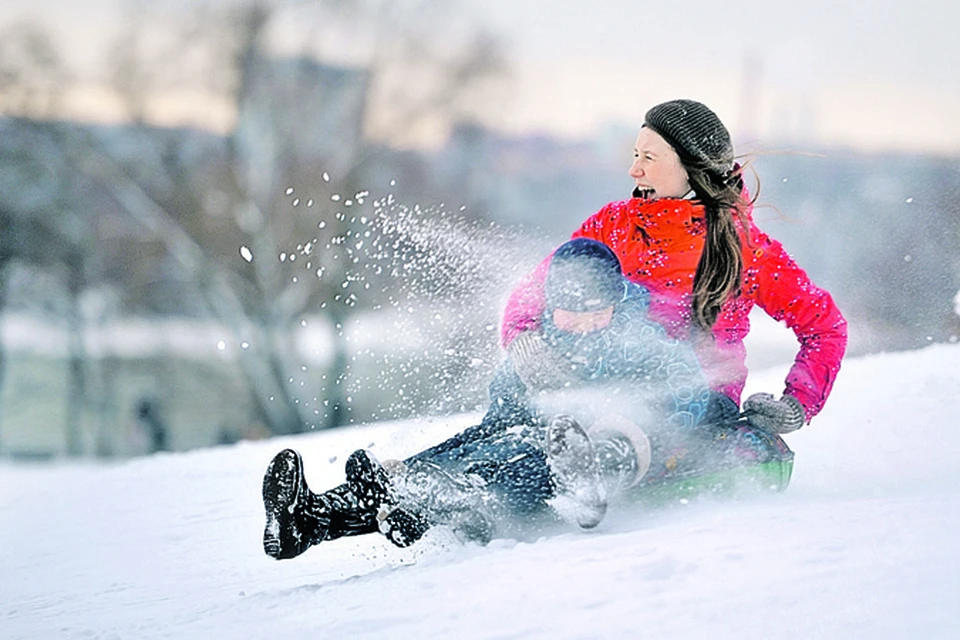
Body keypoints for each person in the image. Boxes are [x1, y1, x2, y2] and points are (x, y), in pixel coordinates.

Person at [262, 238, 766, 559]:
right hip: (536, 444)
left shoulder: (644, 341)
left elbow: (685, 397)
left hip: (613, 452)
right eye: (572, 311)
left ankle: (588, 480)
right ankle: (311, 519)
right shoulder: (535, 354)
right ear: (553, 306)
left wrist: (636, 418)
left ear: (618, 302)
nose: (586, 322)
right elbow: (493, 425)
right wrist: (437, 457)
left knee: (558, 444)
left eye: (598, 310)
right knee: (486, 447)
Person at [501, 99, 847, 436]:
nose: (634, 170)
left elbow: (825, 327)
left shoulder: (747, 250)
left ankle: (602, 465)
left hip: (699, 408)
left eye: (649, 157)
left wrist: (797, 404)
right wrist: (524, 341)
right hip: (605, 380)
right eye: (636, 155)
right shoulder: (614, 225)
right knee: (516, 409)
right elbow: (542, 286)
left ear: (692, 168)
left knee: (641, 422)